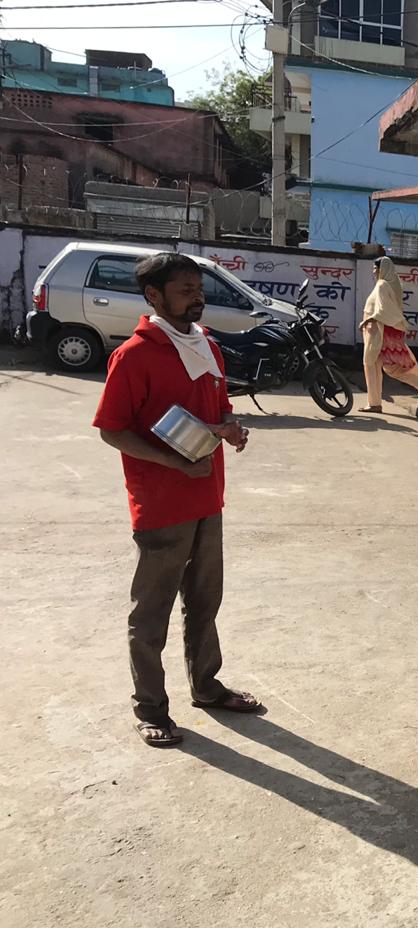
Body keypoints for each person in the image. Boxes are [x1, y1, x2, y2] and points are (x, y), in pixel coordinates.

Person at [93, 253, 263, 748]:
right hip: (162, 504)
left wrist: (230, 428)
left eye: (198, 288)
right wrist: (174, 464)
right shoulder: (134, 355)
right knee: (152, 613)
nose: (197, 297)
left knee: (205, 601)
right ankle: (150, 707)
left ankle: (206, 686)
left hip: (208, 496)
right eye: (185, 290)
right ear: (154, 296)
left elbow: (218, 405)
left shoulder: (206, 345)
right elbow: (112, 431)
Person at [359, 256, 418, 414]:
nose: (374, 272)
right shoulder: (393, 284)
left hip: (379, 334)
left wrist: (367, 320)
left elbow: (384, 311)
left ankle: (374, 404)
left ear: (383, 269)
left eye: (376, 269)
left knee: (373, 365)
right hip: (385, 333)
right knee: (395, 368)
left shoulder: (382, 285)